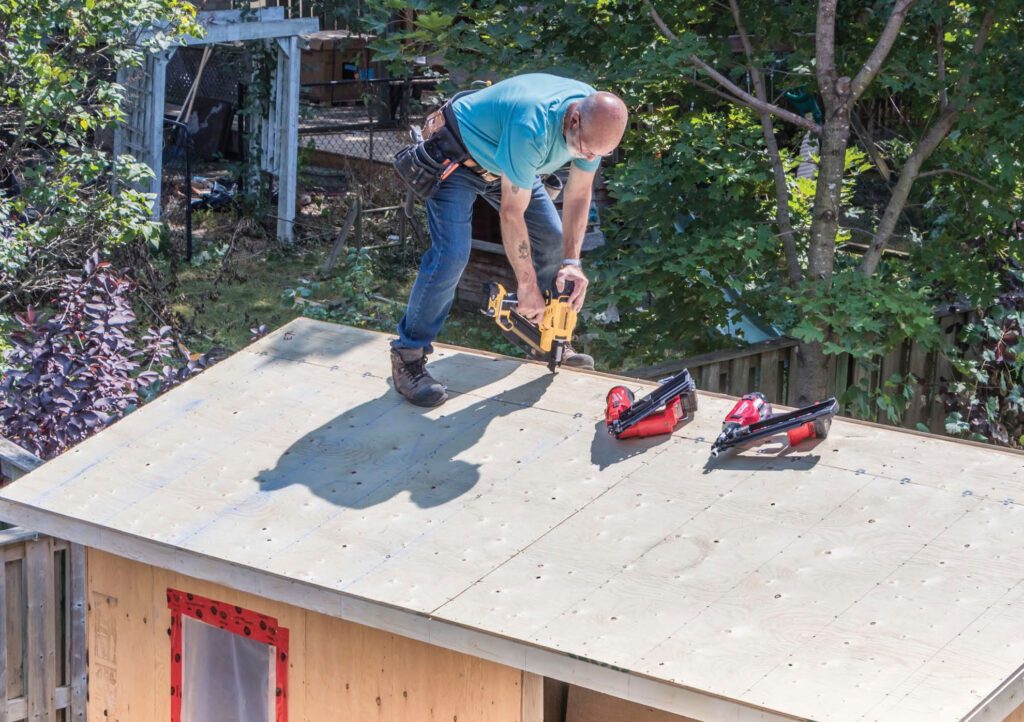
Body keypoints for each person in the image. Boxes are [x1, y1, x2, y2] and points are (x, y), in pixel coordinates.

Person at [390, 73, 628, 407]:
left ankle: (547, 335)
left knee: (551, 238)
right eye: (585, 149)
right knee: (453, 254)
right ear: (574, 119)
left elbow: (578, 195)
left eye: (596, 153)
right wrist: (527, 285)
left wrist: (572, 264)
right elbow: (511, 213)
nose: (588, 156)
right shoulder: (531, 125)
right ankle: (408, 354)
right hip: (458, 160)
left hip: (505, 163)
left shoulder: (595, 122)